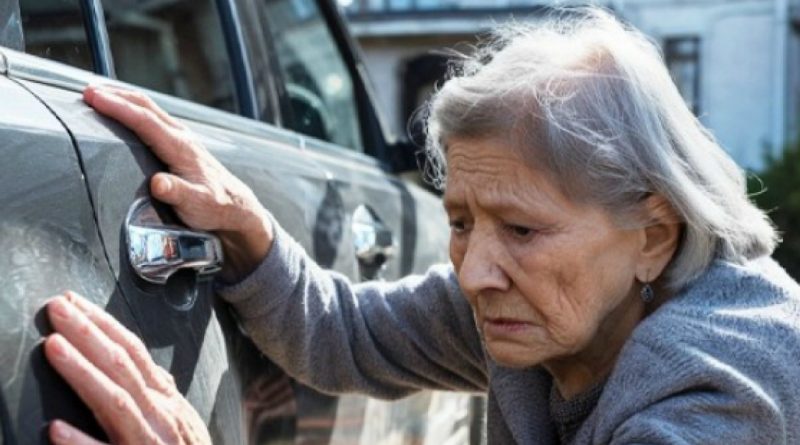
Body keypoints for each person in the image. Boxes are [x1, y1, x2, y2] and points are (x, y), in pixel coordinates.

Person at [40, 7, 800, 445]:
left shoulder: (715, 390)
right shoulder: (548, 303)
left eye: (522, 230)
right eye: (462, 220)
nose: (474, 271)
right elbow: (347, 337)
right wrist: (248, 231)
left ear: (655, 236)